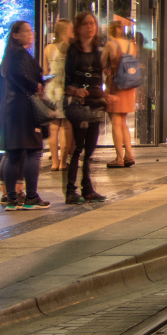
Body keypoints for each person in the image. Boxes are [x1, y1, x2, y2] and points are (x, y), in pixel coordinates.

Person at [0, 21, 49, 210]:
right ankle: (31, 197)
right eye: (26, 31)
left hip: (11, 110)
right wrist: (36, 86)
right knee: (34, 151)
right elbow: (23, 76)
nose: (31, 33)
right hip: (24, 110)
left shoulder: (9, 55)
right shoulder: (19, 54)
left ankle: (11, 198)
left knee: (13, 153)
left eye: (31, 30)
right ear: (15, 35)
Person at [63, 11, 108, 204]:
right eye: (86, 24)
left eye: (93, 24)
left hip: (95, 105)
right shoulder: (72, 51)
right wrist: (74, 91)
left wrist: (106, 95)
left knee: (90, 151)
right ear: (79, 28)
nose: (90, 28)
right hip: (79, 106)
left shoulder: (99, 51)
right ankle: (70, 190)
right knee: (77, 149)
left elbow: (101, 78)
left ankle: (87, 189)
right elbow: (64, 81)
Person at [101, 20, 137, 168]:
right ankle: (129, 155)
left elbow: (101, 63)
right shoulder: (131, 45)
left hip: (115, 86)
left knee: (115, 122)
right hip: (129, 86)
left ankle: (119, 158)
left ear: (110, 31)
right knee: (123, 122)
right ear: (121, 30)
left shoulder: (110, 45)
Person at [42, 18, 72, 172]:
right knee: (66, 127)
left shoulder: (49, 48)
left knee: (53, 128)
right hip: (65, 90)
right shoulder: (70, 48)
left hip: (52, 91)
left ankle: (54, 161)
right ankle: (63, 162)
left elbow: (45, 72)